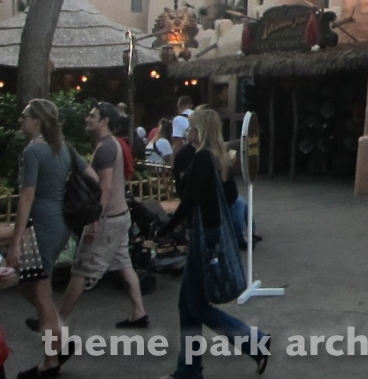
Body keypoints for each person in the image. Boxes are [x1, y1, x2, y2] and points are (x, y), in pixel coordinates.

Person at [159, 109, 270, 379]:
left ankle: (253, 340)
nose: (188, 133)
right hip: (209, 232)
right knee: (188, 306)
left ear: (201, 130)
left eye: (192, 128)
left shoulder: (202, 159)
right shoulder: (216, 158)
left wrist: (165, 229)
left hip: (203, 236)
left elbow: (188, 201)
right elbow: (227, 195)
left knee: (197, 306)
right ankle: (189, 369)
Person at [7, 99, 96, 379]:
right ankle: (60, 339)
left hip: (42, 226)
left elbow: (27, 196)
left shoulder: (34, 151)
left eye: (25, 115)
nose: (21, 120)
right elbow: (92, 176)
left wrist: (16, 239)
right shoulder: (63, 147)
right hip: (60, 224)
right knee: (28, 287)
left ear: (38, 120)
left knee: (42, 295)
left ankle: (50, 360)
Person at [52, 102, 148, 331]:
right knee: (124, 263)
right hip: (120, 215)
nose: (88, 118)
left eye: (92, 115)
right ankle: (139, 312)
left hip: (108, 218)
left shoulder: (105, 148)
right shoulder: (114, 144)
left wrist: (95, 219)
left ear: (105, 121)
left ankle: (57, 321)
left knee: (81, 270)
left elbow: (104, 187)